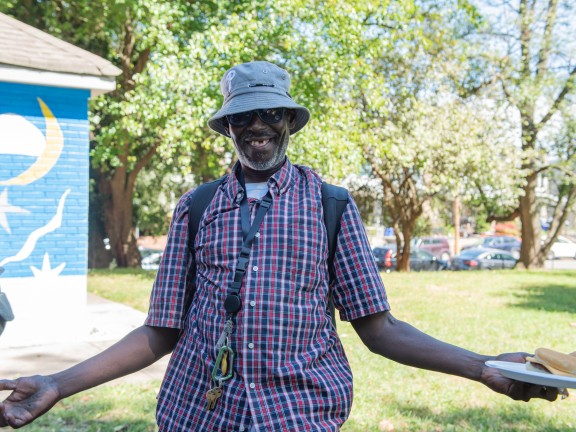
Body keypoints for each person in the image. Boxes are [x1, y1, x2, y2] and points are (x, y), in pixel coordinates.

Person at [0, 61, 562, 431]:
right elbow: (159, 330)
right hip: (199, 413)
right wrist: (58, 383)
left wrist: (482, 366)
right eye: (243, 116)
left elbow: (380, 330)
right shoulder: (195, 209)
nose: (258, 125)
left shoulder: (330, 205)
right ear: (229, 127)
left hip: (298, 413)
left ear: (289, 122)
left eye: (271, 113)